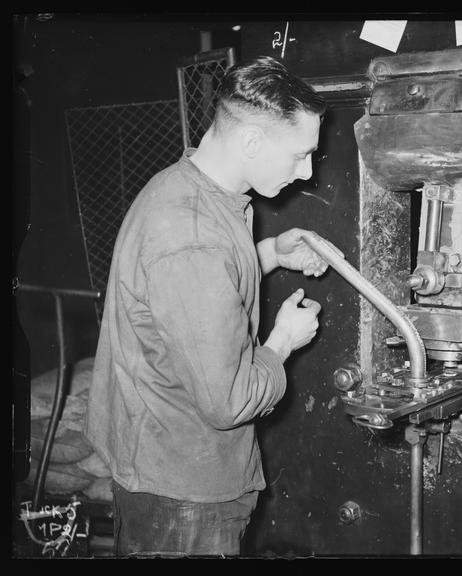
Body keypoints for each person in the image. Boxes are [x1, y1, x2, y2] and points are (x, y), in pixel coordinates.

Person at [85, 56, 338, 556]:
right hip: (181, 499)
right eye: (299, 155)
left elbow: (201, 285)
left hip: (169, 470)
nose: (307, 173)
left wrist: (271, 252)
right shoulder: (191, 235)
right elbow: (230, 401)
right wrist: (284, 340)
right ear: (250, 141)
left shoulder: (190, 189)